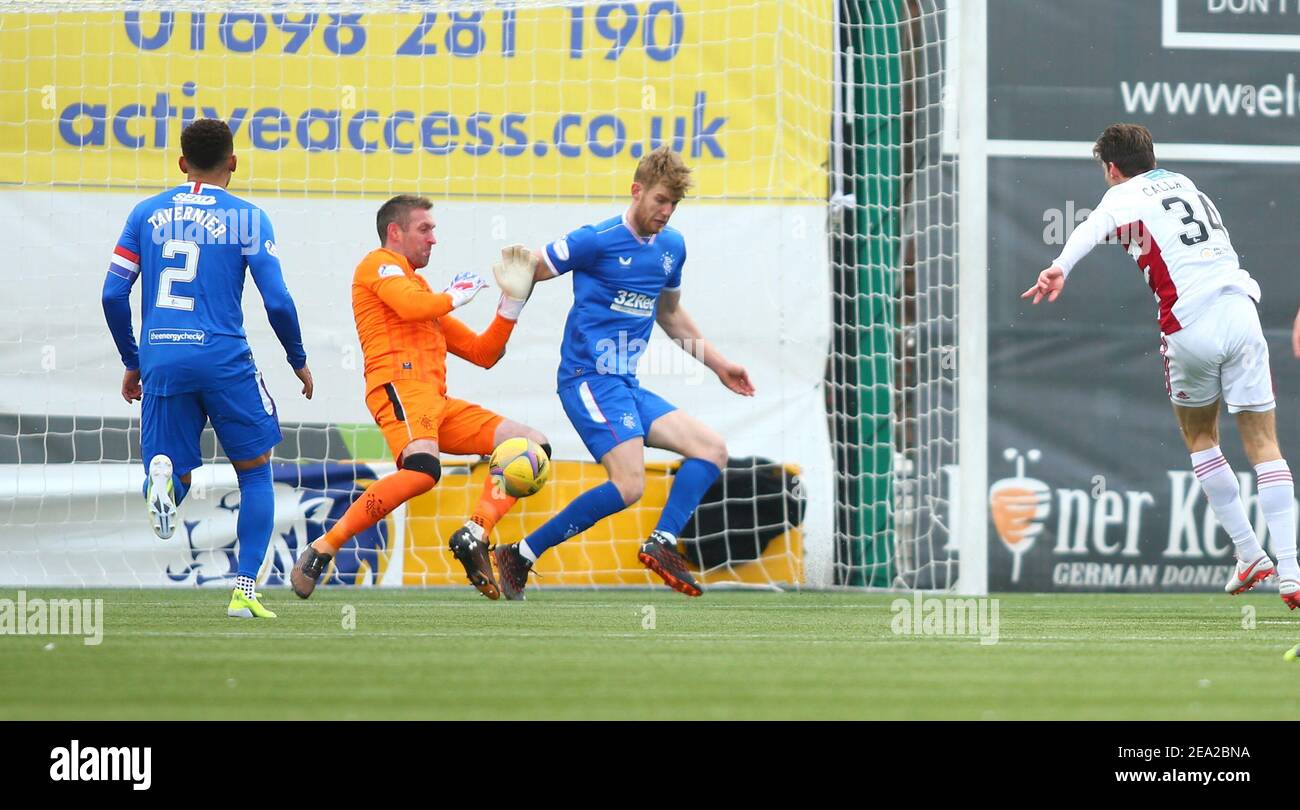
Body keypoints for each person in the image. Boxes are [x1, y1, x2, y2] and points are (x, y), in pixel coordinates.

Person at [1023, 123, 1297, 608]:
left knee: (1200, 437)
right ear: (1151, 156)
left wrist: (1059, 266)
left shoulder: (1121, 196)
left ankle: (1250, 553)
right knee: (1264, 443)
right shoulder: (1186, 185)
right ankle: (1291, 571)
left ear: (1111, 168)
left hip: (1189, 323)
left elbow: (1090, 229)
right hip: (1242, 312)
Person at [491, 146, 755, 600]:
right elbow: (530, 268)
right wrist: (513, 281)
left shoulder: (672, 248)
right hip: (586, 378)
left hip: (625, 385)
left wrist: (720, 365)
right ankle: (522, 554)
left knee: (712, 450)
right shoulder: (596, 239)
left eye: (674, 204)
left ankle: (662, 542)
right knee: (630, 484)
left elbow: (670, 316)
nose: (667, 212)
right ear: (637, 191)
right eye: (660, 201)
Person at [101, 118, 312, 619]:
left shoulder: (146, 213)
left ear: (180, 163)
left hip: (162, 357)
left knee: (179, 471)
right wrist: (297, 358)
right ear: (233, 163)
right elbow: (277, 301)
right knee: (255, 473)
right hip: (222, 356)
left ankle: (162, 485)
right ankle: (244, 591)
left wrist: (135, 361)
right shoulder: (247, 218)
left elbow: (112, 294)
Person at [289, 195, 546, 600]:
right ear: (396, 232)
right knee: (424, 470)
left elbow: (484, 353)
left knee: (532, 445)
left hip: (436, 402)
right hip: (398, 388)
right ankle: (325, 546)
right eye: (424, 229)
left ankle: (475, 532)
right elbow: (410, 308)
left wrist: (512, 301)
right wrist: (454, 294)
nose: (433, 239)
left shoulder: (421, 290)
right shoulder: (377, 265)